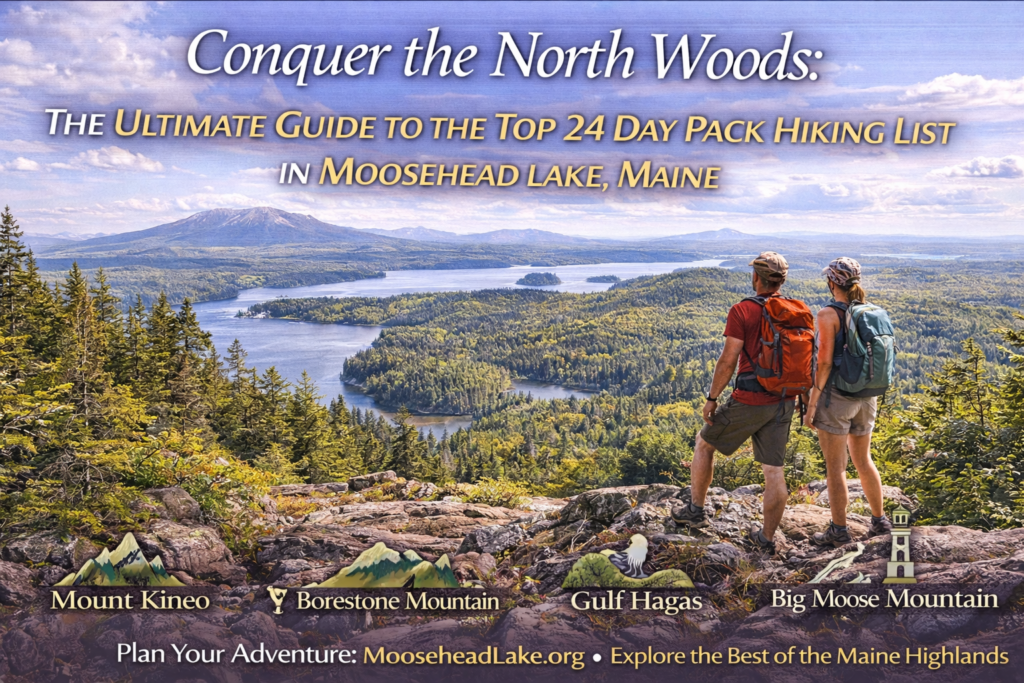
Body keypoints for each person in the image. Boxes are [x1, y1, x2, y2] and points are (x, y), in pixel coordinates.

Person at [673, 252, 800, 555]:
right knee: (774, 471)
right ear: (781, 280)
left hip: (750, 398)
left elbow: (728, 360)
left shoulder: (743, 310)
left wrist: (712, 399)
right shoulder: (798, 309)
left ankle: (695, 511)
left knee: (704, 443)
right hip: (784, 399)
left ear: (756, 277)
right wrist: (802, 398)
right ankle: (766, 540)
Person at [803, 257, 893, 547]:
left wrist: (812, 403)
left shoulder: (828, 314)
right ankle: (880, 521)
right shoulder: (870, 311)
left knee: (836, 467)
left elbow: (825, 363)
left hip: (838, 398)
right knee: (863, 459)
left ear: (832, 282)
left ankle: (838, 531)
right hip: (867, 397)